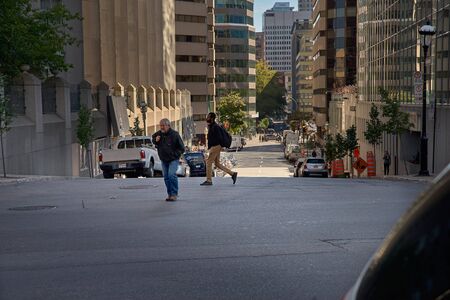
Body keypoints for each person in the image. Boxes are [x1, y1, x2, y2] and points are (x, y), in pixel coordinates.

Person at [200, 112, 237, 186]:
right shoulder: (212, 126)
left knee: (208, 162)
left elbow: (219, 138)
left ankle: (209, 180)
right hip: (216, 146)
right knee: (217, 163)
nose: (207, 118)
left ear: (212, 118)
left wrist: (217, 146)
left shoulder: (215, 127)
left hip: (216, 146)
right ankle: (232, 174)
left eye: (208, 117)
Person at [152, 119, 185, 201]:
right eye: (161, 126)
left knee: (171, 175)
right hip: (164, 159)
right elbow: (153, 139)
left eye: (163, 125)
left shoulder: (175, 134)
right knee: (166, 177)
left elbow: (182, 148)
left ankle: (174, 194)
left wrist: (175, 155)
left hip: (173, 159)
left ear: (168, 126)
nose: (162, 127)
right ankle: (169, 194)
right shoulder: (158, 134)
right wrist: (156, 141)